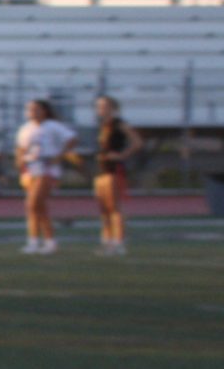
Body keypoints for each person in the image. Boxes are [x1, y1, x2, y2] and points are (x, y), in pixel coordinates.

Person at [14, 99, 80, 255]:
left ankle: (34, 241)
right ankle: (48, 242)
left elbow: (72, 139)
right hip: (30, 169)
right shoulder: (26, 128)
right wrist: (20, 166)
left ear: (44, 111)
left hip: (46, 168)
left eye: (36, 109)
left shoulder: (52, 126)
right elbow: (21, 149)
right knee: (39, 208)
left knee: (32, 204)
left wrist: (60, 155)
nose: (32, 112)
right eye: (29, 109)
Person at [90, 96, 141, 257]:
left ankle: (119, 242)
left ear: (113, 107)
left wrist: (122, 155)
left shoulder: (119, 124)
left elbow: (137, 142)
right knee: (103, 208)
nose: (101, 109)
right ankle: (107, 242)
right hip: (101, 169)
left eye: (105, 106)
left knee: (114, 207)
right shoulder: (102, 126)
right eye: (99, 106)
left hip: (113, 169)